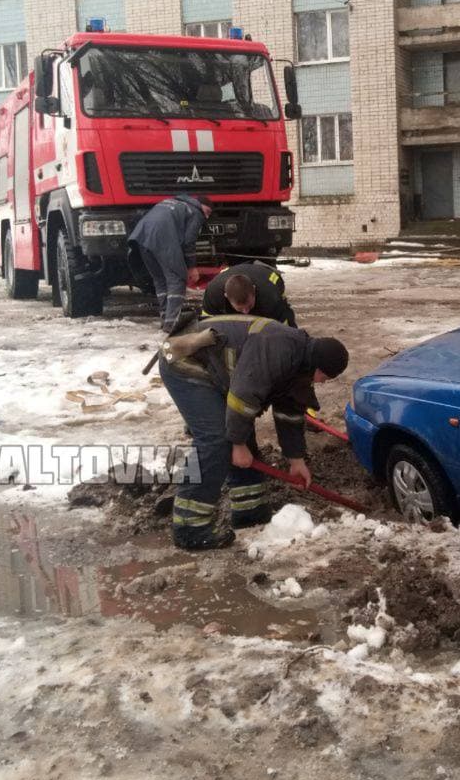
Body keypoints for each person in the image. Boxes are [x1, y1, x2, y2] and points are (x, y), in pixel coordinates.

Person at [157, 315, 349, 550]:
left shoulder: (300, 363)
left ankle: (250, 512)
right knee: (217, 440)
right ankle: (189, 527)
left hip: (220, 374)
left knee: (238, 428)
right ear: (319, 367)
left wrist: (295, 459)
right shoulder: (279, 349)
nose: (322, 383)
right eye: (325, 378)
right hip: (186, 362)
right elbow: (242, 398)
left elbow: (289, 413)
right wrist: (237, 444)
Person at [127, 194, 211, 332]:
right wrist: (191, 267)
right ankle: (172, 324)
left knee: (160, 279)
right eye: (207, 212)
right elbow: (189, 242)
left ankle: (165, 317)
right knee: (177, 279)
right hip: (163, 238)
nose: (206, 217)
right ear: (200, 206)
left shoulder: (171, 202)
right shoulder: (196, 212)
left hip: (142, 238)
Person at [201, 259, 297, 327]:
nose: (246, 312)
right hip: (236, 271)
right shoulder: (213, 295)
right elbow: (205, 323)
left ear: (254, 291)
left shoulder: (270, 297)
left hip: (268, 277)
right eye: (240, 309)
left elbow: (286, 324)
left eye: (249, 306)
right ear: (226, 296)